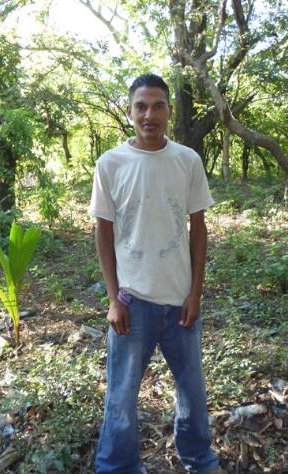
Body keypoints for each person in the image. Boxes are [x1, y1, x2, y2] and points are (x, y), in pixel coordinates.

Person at [89, 73, 223, 474]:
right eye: (141, 107)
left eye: (158, 106)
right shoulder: (111, 163)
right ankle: (118, 467)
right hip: (133, 303)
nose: (150, 115)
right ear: (130, 113)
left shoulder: (187, 160)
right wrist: (114, 299)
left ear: (169, 111)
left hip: (180, 302)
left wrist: (195, 294)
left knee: (192, 391)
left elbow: (198, 229)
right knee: (122, 395)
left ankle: (200, 460)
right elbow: (103, 232)